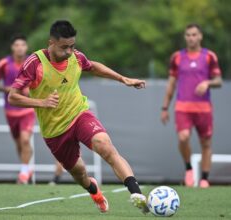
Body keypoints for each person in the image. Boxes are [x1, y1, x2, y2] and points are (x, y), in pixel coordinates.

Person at [9, 20, 148, 213]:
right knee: (80, 173)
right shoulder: (35, 63)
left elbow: (93, 66)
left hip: (79, 114)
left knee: (104, 145)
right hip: (54, 131)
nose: (69, 51)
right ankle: (94, 190)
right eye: (64, 47)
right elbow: (13, 96)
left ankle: (136, 193)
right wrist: (42, 102)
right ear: (51, 42)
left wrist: (122, 79)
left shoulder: (76, 57)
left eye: (72, 46)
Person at [161, 24, 222, 188]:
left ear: (200, 36)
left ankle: (204, 179)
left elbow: (218, 80)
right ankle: (188, 169)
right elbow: (171, 84)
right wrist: (165, 107)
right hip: (183, 107)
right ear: (185, 37)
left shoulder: (209, 56)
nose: (191, 38)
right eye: (188, 35)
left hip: (204, 108)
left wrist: (207, 83)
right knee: (183, 137)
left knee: (206, 143)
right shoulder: (177, 57)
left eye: (194, 34)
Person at [0, 35, 36, 184]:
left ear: (26, 47)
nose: (20, 48)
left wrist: (29, 91)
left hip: (27, 109)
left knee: (24, 140)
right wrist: (6, 89)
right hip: (10, 111)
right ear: (12, 47)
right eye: (17, 45)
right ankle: (26, 167)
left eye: (23, 45)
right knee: (19, 144)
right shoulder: (4, 63)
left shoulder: (33, 63)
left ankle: (23, 173)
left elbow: (40, 82)